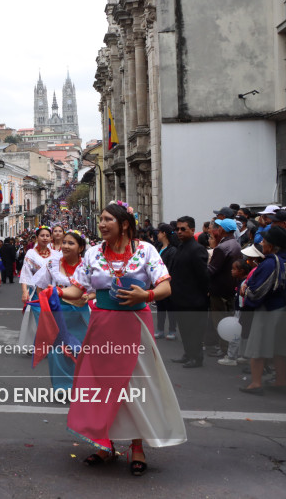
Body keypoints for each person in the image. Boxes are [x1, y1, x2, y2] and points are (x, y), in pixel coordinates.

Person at [58, 202, 185, 476]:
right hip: (102, 327)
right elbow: (76, 289)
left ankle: (137, 447)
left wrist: (146, 296)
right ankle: (104, 445)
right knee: (101, 387)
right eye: (100, 219)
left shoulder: (146, 250)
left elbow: (165, 285)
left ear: (124, 224)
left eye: (107, 220)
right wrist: (53, 293)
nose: (101, 224)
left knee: (134, 388)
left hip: (135, 326)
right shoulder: (92, 253)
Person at [240, 226, 286, 395]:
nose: (262, 243)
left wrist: (245, 290)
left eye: (264, 241)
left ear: (272, 245)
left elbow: (257, 292)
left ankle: (256, 383)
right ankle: (281, 381)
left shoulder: (271, 262)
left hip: (269, 310)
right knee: (281, 349)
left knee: (258, 347)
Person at [42, 229, 91, 390]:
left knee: (83, 347)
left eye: (71, 243)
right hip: (59, 311)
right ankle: (63, 386)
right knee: (58, 349)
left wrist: (90, 297)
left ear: (81, 247)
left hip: (82, 312)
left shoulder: (88, 265)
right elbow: (42, 285)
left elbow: (100, 286)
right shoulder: (52, 263)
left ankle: (81, 384)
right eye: (64, 242)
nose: (66, 246)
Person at [169, 216, 210, 368]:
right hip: (180, 297)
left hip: (194, 299)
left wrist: (204, 293)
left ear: (192, 230)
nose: (179, 232)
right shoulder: (181, 247)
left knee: (195, 330)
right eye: (177, 229)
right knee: (184, 329)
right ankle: (188, 354)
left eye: (183, 229)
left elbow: (203, 275)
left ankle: (196, 357)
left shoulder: (197, 248)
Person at [18, 226, 62, 349]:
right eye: (42, 235)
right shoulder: (31, 253)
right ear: (36, 237)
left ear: (51, 238)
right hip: (36, 292)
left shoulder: (56, 254)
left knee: (52, 318)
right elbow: (26, 272)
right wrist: (24, 291)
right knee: (39, 318)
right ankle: (40, 344)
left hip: (52, 292)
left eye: (47, 236)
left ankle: (50, 344)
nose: (45, 238)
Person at [206, 218, 242, 358]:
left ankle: (223, 348)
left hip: (219, 288)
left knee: (220, 320)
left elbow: (212, 269)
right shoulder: (236, 244)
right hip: (230, 287)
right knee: (228, 317)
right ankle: (226, 347)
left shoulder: (222, 247)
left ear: (222, 230)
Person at [154, 223, 179, 340]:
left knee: (170, 308)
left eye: (159, 232)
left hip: (168, 283)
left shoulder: (172, 250)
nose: (157, 234)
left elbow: (170, 267)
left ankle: (172, 329)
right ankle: (160, 329)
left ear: (164, 233)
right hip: (158, 282)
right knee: (160, 307)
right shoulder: (159, 247)